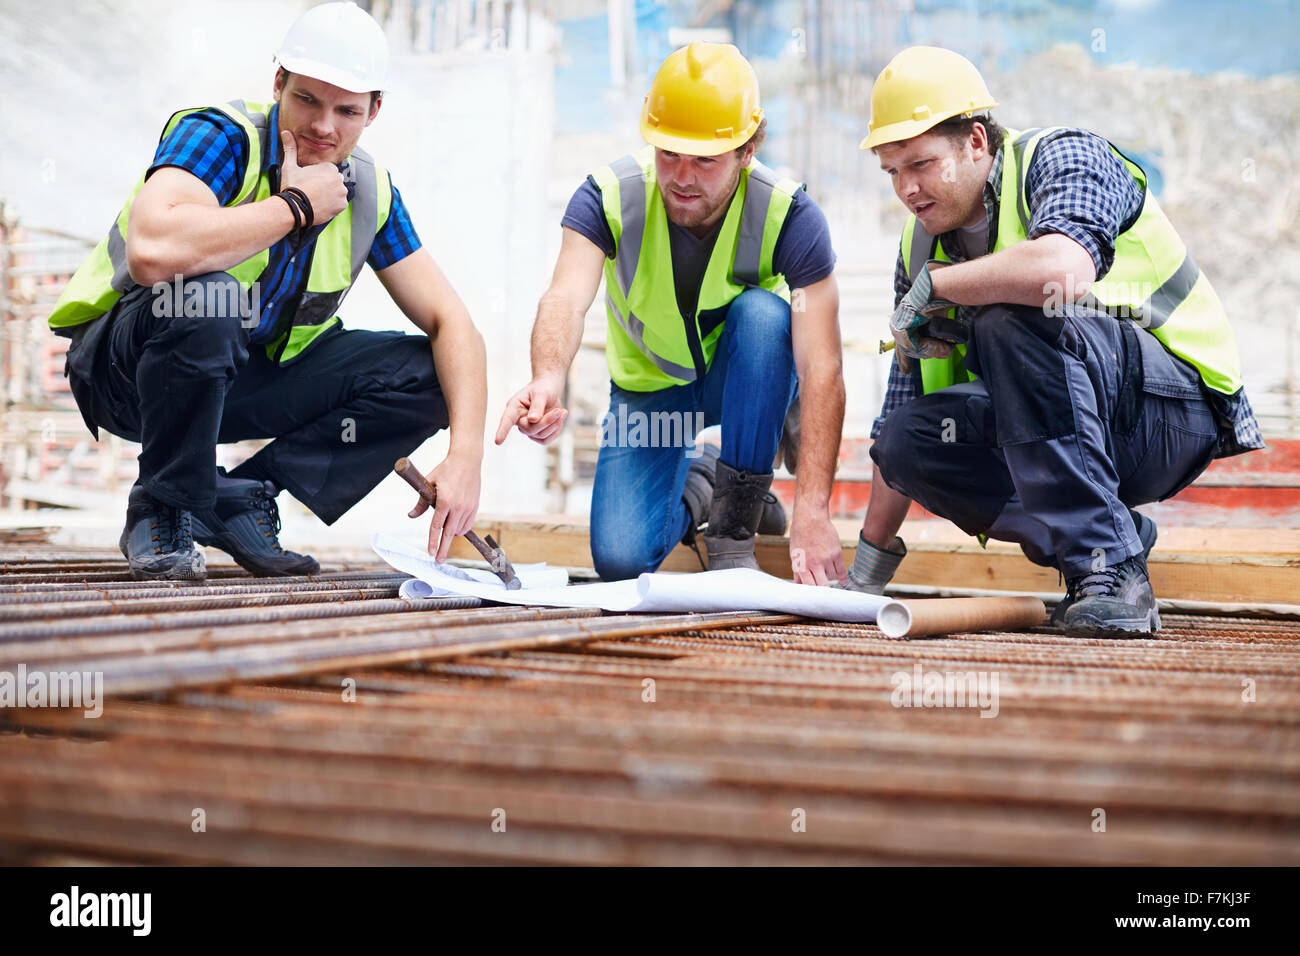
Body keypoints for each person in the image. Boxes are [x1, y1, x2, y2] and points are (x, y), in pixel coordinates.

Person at [48, 1, 487, 581]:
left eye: (347, 110)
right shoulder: (219, 136)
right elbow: (152, 249)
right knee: (209, 301)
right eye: (307, 99)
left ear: (374, 112)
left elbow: (454, 324)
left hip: (235, 381)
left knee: (428, 375)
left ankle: (241, 496)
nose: (324, 127)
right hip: (126, 373)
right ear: (279, 82)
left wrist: (466, 456)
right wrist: (294, 208)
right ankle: (163, 504)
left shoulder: (370, 191)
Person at [844, 46, 1263, 636]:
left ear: (976, 141)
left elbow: (1063, 271)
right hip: (1059, 433)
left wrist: (941, 285)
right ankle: (1109, 534)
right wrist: (866, 571)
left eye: (920, 164)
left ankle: (1112, 571)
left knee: (1009, 314)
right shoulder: (919, 250)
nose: (907, 189)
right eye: (892, 171)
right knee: (905, 441)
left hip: (1169, 411)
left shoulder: (1063, 156)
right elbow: (901, 408)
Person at [495, 42, 846, 584]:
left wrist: (814, 511)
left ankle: (735, 531)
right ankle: (709, 479)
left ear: (747, 150)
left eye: (705, 160)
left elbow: (824, 364)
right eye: (668, 154)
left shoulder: (790, 216)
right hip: (654, 390)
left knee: (763, 317)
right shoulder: (608, 199)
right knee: (621, 560)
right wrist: (548, 377)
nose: (682, 176)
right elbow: (565, 296)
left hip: (747, 376)